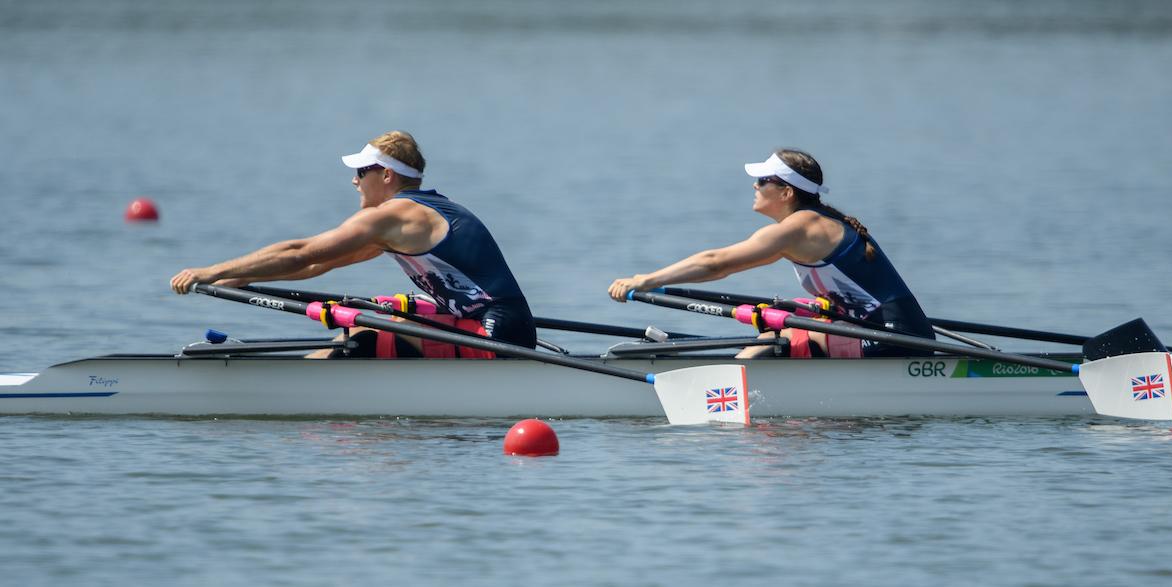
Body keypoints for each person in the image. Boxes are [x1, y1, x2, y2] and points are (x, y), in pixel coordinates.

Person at [170, 131, 536, 358]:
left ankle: (298, 393)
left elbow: (301, 250)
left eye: (361, 172)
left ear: (387, 175)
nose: (354, 181)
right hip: (495, 327)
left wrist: (212, 269)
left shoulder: (396, 215)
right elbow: (316, 265)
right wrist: (233, 280)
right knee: (369, 331)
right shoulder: (407, 220)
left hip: (498, 335)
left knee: (362, 338)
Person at [607, 149, 934, 358]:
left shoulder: (803, 227)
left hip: (900, 340)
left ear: (787, 192)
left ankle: (728, 395)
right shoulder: (806, 224)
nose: (754, 186)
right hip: (868, 331)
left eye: (763, 180)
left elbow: (717, 264)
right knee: (773, 334)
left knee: (772, 342)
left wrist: (646, 279)